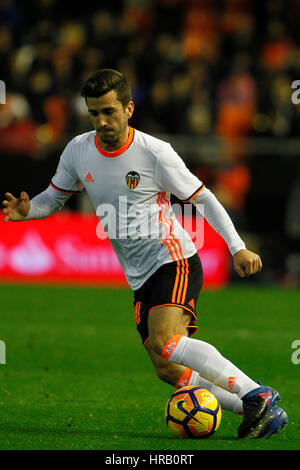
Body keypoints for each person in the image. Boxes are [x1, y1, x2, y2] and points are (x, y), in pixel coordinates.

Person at [2, 68, 288, 438]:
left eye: (109, 112)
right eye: (94, 113)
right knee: (167, 367)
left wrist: (237, 247)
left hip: (174, 258)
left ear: (129, 109)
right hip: (138, 275)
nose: (101, 121)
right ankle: (261, 410)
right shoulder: (78, 150)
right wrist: (28, 211)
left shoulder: (155, 153)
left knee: (166, 340)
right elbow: (53, 198)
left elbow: (203, 197)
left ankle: (256, 393)